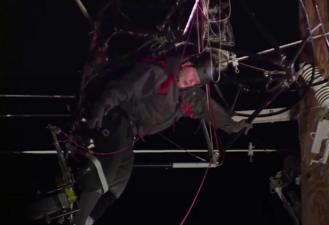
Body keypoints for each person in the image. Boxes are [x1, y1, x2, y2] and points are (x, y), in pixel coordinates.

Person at [71, 51, 252, 225]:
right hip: (117, 118)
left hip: (130, 133)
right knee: (106, 171)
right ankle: (77, 219)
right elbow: (123, 88)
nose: (191, 81)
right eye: (193, 75)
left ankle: (88, 219)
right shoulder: (159, 72)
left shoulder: (187, 97)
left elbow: (208, 109)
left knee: (120, 180)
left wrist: (233, 126)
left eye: (196, 81)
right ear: (187, 64)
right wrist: (102, 105)